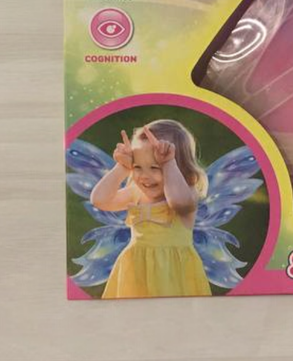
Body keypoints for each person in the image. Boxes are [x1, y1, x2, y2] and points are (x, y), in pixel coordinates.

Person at [89, 120, 212, 298]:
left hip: (174, 274)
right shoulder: (136, 193)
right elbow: (99, 200)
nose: (145, 176)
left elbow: (178, 202)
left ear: (181, 169)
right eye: (137, 167)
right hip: (135, 273)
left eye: (155, 167)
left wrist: (168, 163)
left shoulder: (186, 194)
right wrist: (122, 167)